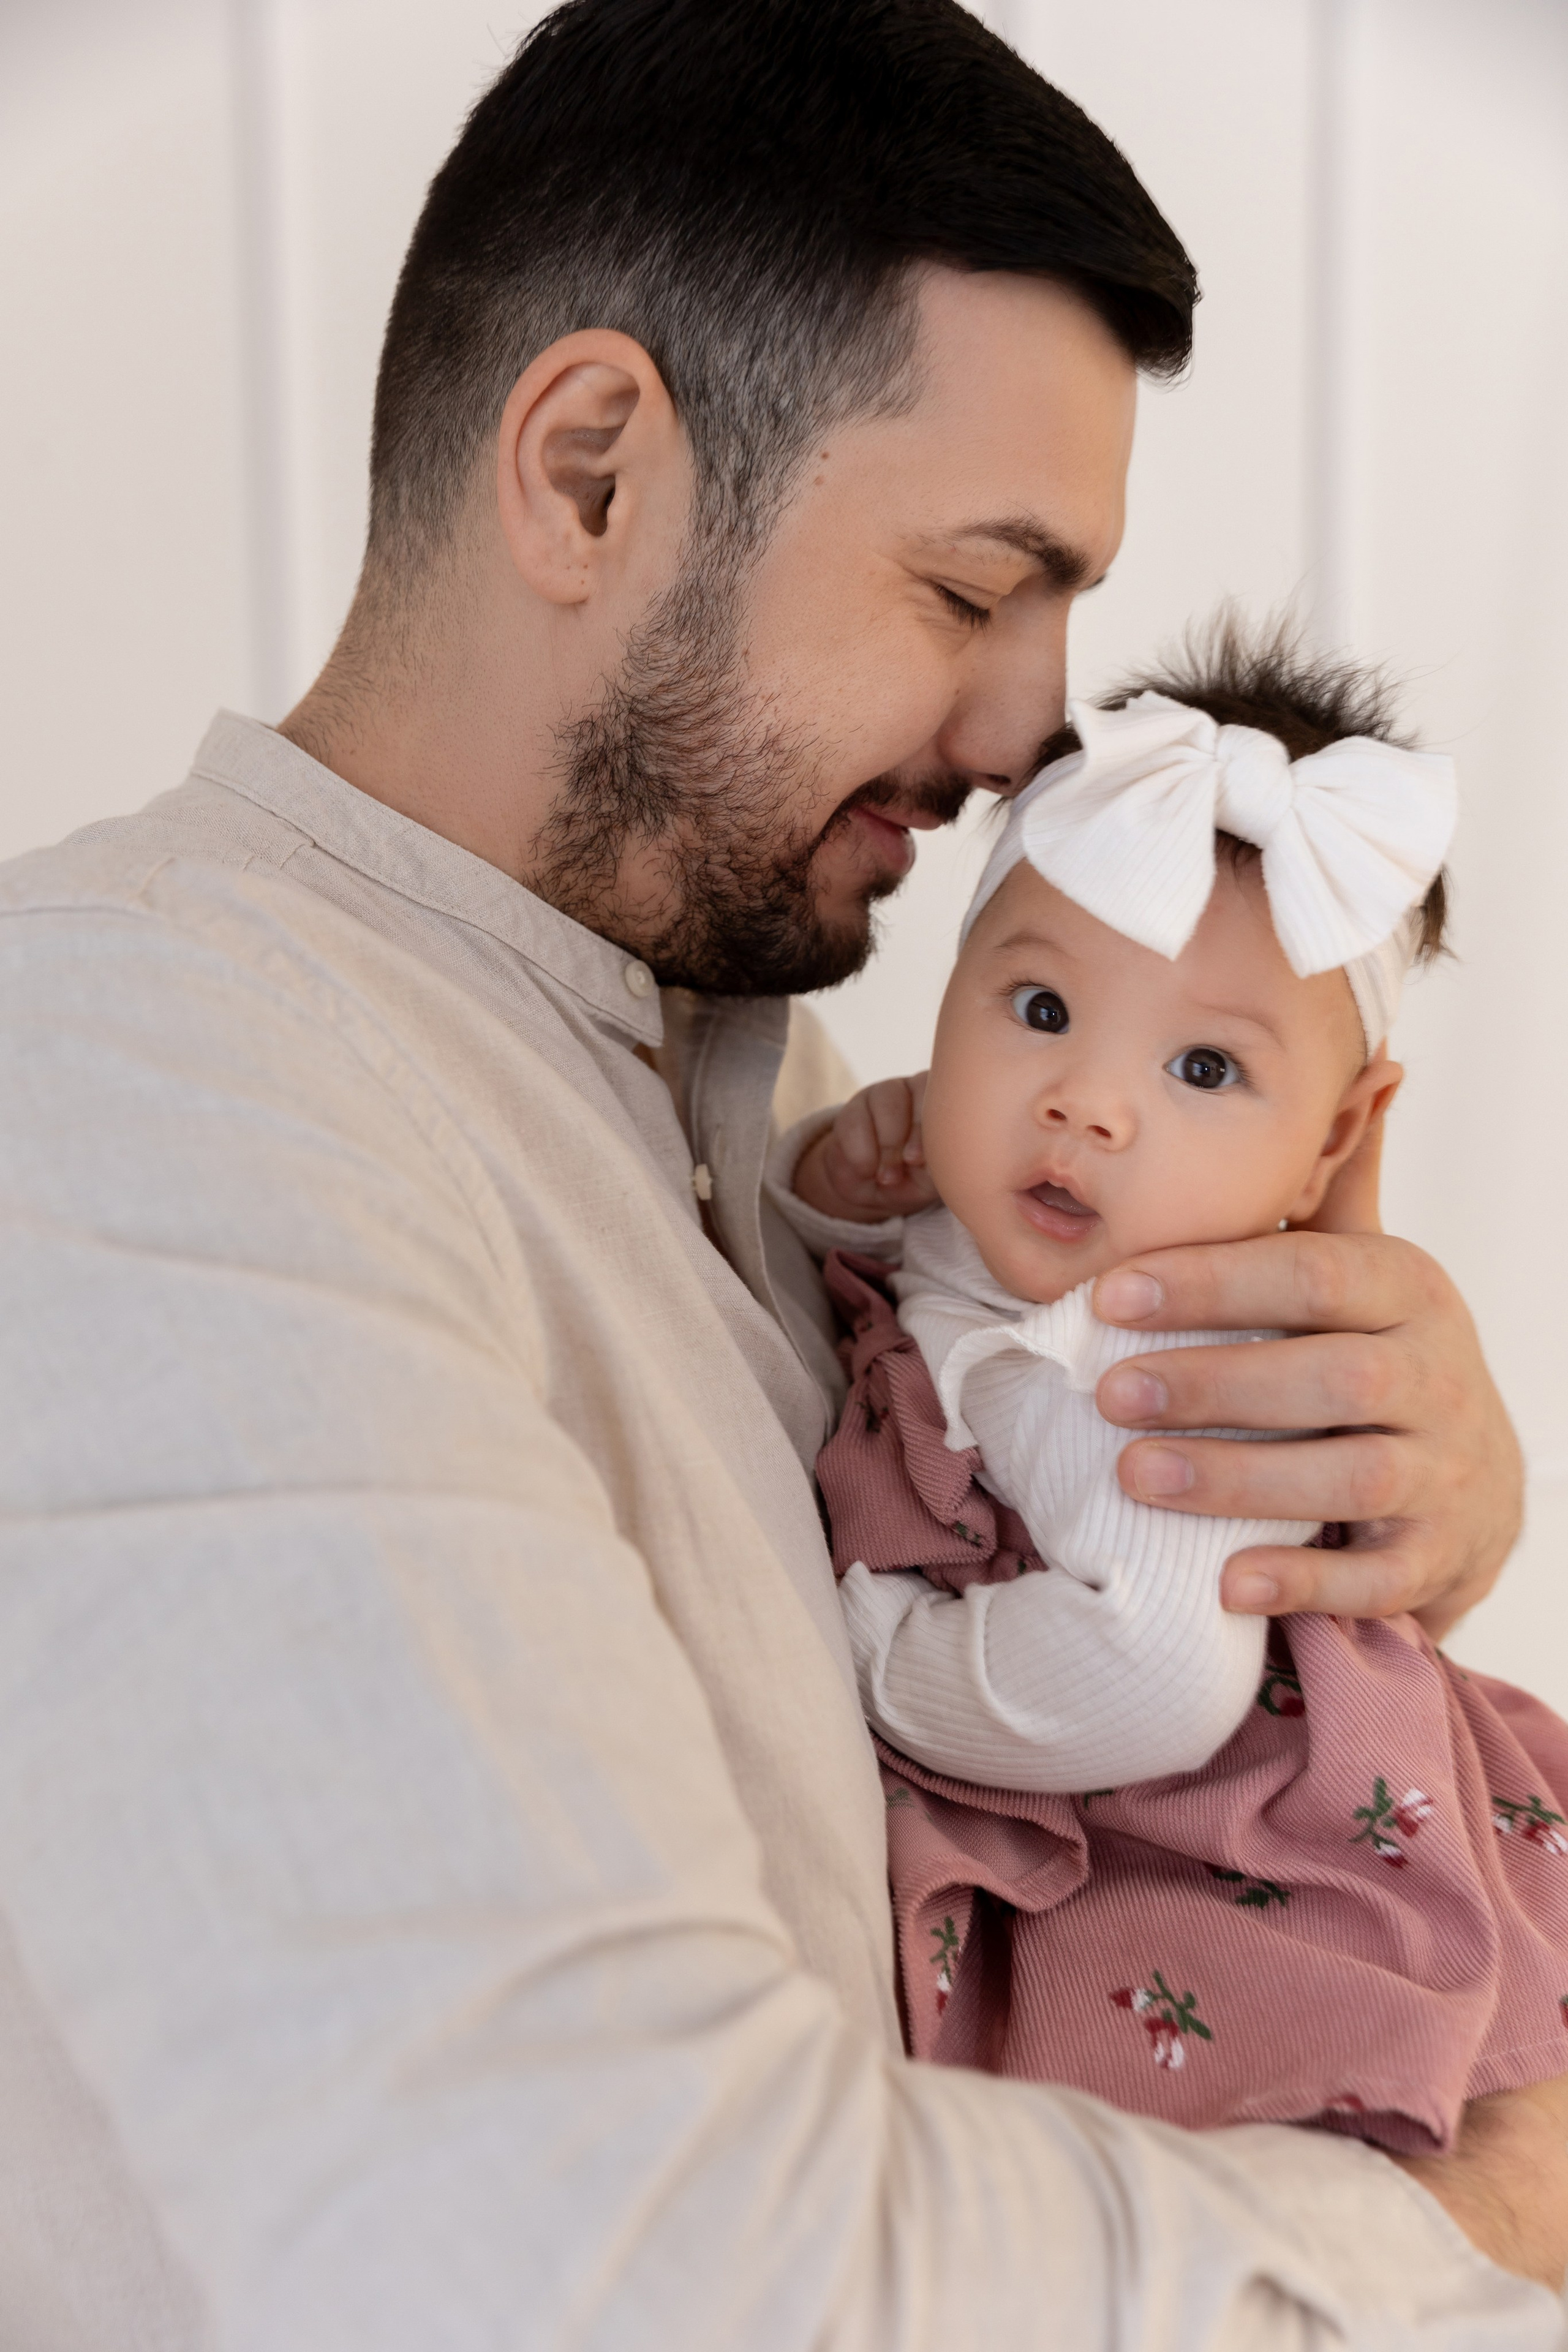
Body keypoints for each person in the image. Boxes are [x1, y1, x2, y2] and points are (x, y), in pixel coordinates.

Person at [0, 1, 1561, 2342]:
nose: (1037, 727)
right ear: (592, 474)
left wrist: (1372, 1501)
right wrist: (1477, 2228)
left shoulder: (781, 1091)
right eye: (972, 589)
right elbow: (605, 2268)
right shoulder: (131, 1090)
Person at [794, 622, 1568, 2159]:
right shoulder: (1020, 1239)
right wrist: (834, 1182)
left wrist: (878, 1662)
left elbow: (1150, 1673)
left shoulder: (1154, 1367)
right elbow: (878, 1294)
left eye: (1202, 1071)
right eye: (1037, 1012)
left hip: (1224, 1856)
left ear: (1334, 1140)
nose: (1085, 1103)